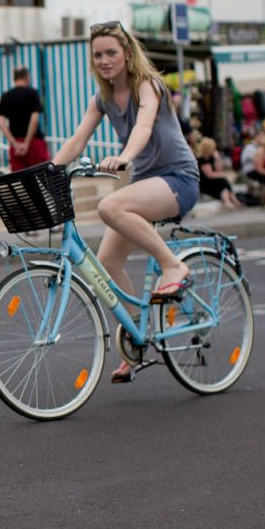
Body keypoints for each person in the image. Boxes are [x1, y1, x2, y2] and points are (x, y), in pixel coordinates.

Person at [50, 20, 200, 384]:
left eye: (111, 53)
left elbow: (144, 125)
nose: (104, 60)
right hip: (147, 183)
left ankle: (173, 266)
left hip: (178, 179)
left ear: (128, 54)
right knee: (106, 265)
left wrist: (126, 156)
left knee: (110, 206)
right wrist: (49, 168)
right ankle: (137, 339)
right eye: (97, 54)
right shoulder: (101, 98)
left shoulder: (148, 86)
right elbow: (78, 139)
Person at [0, 66, 50, 172]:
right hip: (34, 142)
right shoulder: (32, 93)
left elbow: (1, 122)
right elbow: (34, 120)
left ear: (14, 78)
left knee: (21, 183)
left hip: (16, 145)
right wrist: (26, 143)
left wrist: (14, 143)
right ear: (27, 77)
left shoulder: (6, 96)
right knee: (44, 178)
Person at [195, 137, 241, 210]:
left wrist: (217, 158)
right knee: (222, 181)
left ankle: (229, 201)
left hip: (213, 181)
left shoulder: (211, 158)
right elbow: (209, 175)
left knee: (223, 182)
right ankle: (232, 200)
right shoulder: (201, 159)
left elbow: (219, 170)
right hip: (204, 183)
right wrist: (223, 175)